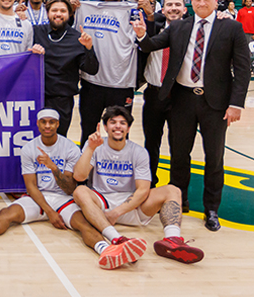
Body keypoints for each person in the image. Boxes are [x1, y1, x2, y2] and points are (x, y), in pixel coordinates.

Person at [132, 0, 250, 230]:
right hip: (182, 99)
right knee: (179, 154)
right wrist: (142, 34)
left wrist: (236, 103)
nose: (202, 3)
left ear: (216, 0)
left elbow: (242, 69)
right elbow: (151, 46)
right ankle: (178, 200)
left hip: (215, 103)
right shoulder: (179, 27)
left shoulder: (232, 27)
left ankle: (211, 209)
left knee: (214, 157)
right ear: (191, 0)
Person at [0, 109, 110, 263]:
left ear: (58, 124)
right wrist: (49, 212)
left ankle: (106, 250)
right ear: (38, 124)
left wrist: (52, 167)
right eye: (43, 122)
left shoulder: (70, 148)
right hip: (38, 197)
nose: (47, 125)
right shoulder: (29, 148)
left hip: (63, 198)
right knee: (7, 213)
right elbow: (31, 187)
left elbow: (69, 188)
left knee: (83, 225)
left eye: (51, 122)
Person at [72, 106, 204, 267]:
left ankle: (172, 240)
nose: (118, 126)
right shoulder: (95, 145)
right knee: (80, 191)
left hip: (130, 205)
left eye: (122, 122)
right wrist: (91, 148)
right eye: (112, 122)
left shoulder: (138, 152)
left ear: (128, 128)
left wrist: (117, 212)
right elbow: (79, 176)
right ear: (105, 127)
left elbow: (143, 190)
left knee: (173, 190)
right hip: (101, 204)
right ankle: (117, 239)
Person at [74, 0, 147, 148]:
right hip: (91, 82)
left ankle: (120, 171)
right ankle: (85, 174)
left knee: (120, 133)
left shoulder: (132, 11)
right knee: (88, 130)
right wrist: (72, 9)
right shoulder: (85, 9)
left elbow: (145, 38)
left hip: (120, 84)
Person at [32, 0, 98, 137]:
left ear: (69, 14)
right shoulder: (35, 32)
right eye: (54, 10)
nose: (58, 14)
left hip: (62, 100)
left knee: (58, 138)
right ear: (47, 12)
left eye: (63, 11)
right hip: (36, 97)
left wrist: (88, 48)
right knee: (33, 138)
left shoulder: (78, 38)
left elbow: (92, 69)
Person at [139, 0, 185, 188]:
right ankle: (149, 185)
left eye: (177, 4)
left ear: (184, 8)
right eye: (169, 5)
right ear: (163, 9)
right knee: (151, 143)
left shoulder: (192, 30)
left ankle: (178, 190)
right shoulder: (154, 26)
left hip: (181, 95)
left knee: (180, 145)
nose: (173, 8)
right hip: (154, 92)